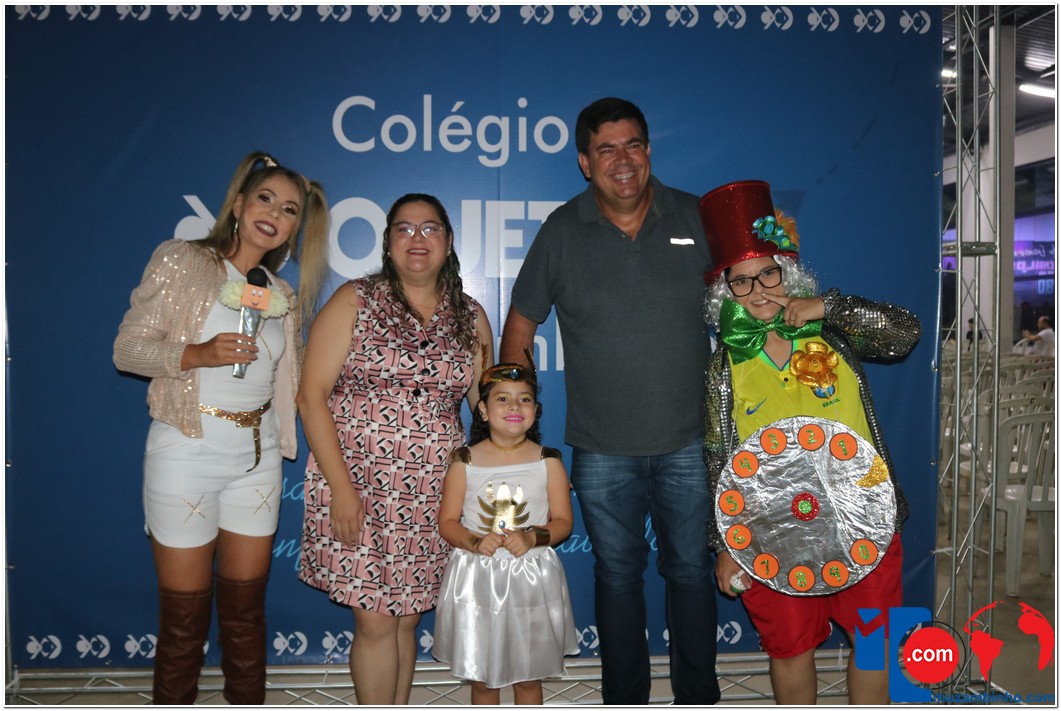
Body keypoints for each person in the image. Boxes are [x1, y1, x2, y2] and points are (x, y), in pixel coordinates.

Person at [499, 97, 720, 705]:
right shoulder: (562, 229)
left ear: (648, 151)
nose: (623, 160)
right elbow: (520, 328)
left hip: (690, 439)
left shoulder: (697, 215)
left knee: (691, 574)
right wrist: (512, 422)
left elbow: (750, 305)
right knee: (618, 578)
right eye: (606, 149)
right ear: (584, 162)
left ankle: (698, 699)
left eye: (633, 145)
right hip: (600, 448)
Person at [113, 152, 330, 704]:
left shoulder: (281, 295)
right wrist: (198, 353)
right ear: (237, 205)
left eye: (289, 210)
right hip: (187, 451)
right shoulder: (183, 260)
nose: (274, 215)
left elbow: (291, 383)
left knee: (245, 613)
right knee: (184, 620)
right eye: (265, 199)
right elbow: (127, 350)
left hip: (256, 461)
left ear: (294, 227)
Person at [698, 180, 921, 704]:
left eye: (768, 273)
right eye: (741, 281)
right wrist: (726, 543)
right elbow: (718, 457)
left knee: (874, 645)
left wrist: (830, 307)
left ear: (787, 270)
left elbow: (904, 333)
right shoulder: (724, 367)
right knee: (789, 648)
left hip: (864, 514)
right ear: (725, 291)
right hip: (771, 529)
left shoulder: (835, 334)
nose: (758, 290)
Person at [297, 193, 494, 705]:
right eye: (404, 228)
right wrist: (342, 490)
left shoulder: (470, 316)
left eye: (430, 228)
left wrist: (518, 461)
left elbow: (486, 409)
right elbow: (310, 396)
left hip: (433, 491)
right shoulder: (355, 300)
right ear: (388, 242)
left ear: (448, 241)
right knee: (377, 621)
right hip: (357, 483)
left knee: (406, 619)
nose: (417, 238)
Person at [432, 361, 579, 704]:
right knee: (484, 680)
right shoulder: (464, 461)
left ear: (535, 411)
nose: (515, 406)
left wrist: (531, 537)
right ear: (483, 410)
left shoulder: (549, 461)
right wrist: (474, 541)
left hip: (531, 578)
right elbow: (448, 522)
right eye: (502, 399)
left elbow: (563, 522)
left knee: (528, 676)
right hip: (478, 580)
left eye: (524, 399)